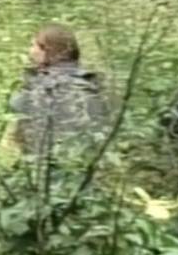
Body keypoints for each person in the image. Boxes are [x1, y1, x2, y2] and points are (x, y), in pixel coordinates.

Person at [10, 24, 110, 161]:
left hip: (45, 165)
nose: (30, 51)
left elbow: (18, 108)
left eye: (33, 45)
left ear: (47, 50)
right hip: (84, 164)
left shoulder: (43, 84)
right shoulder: (92, 82)